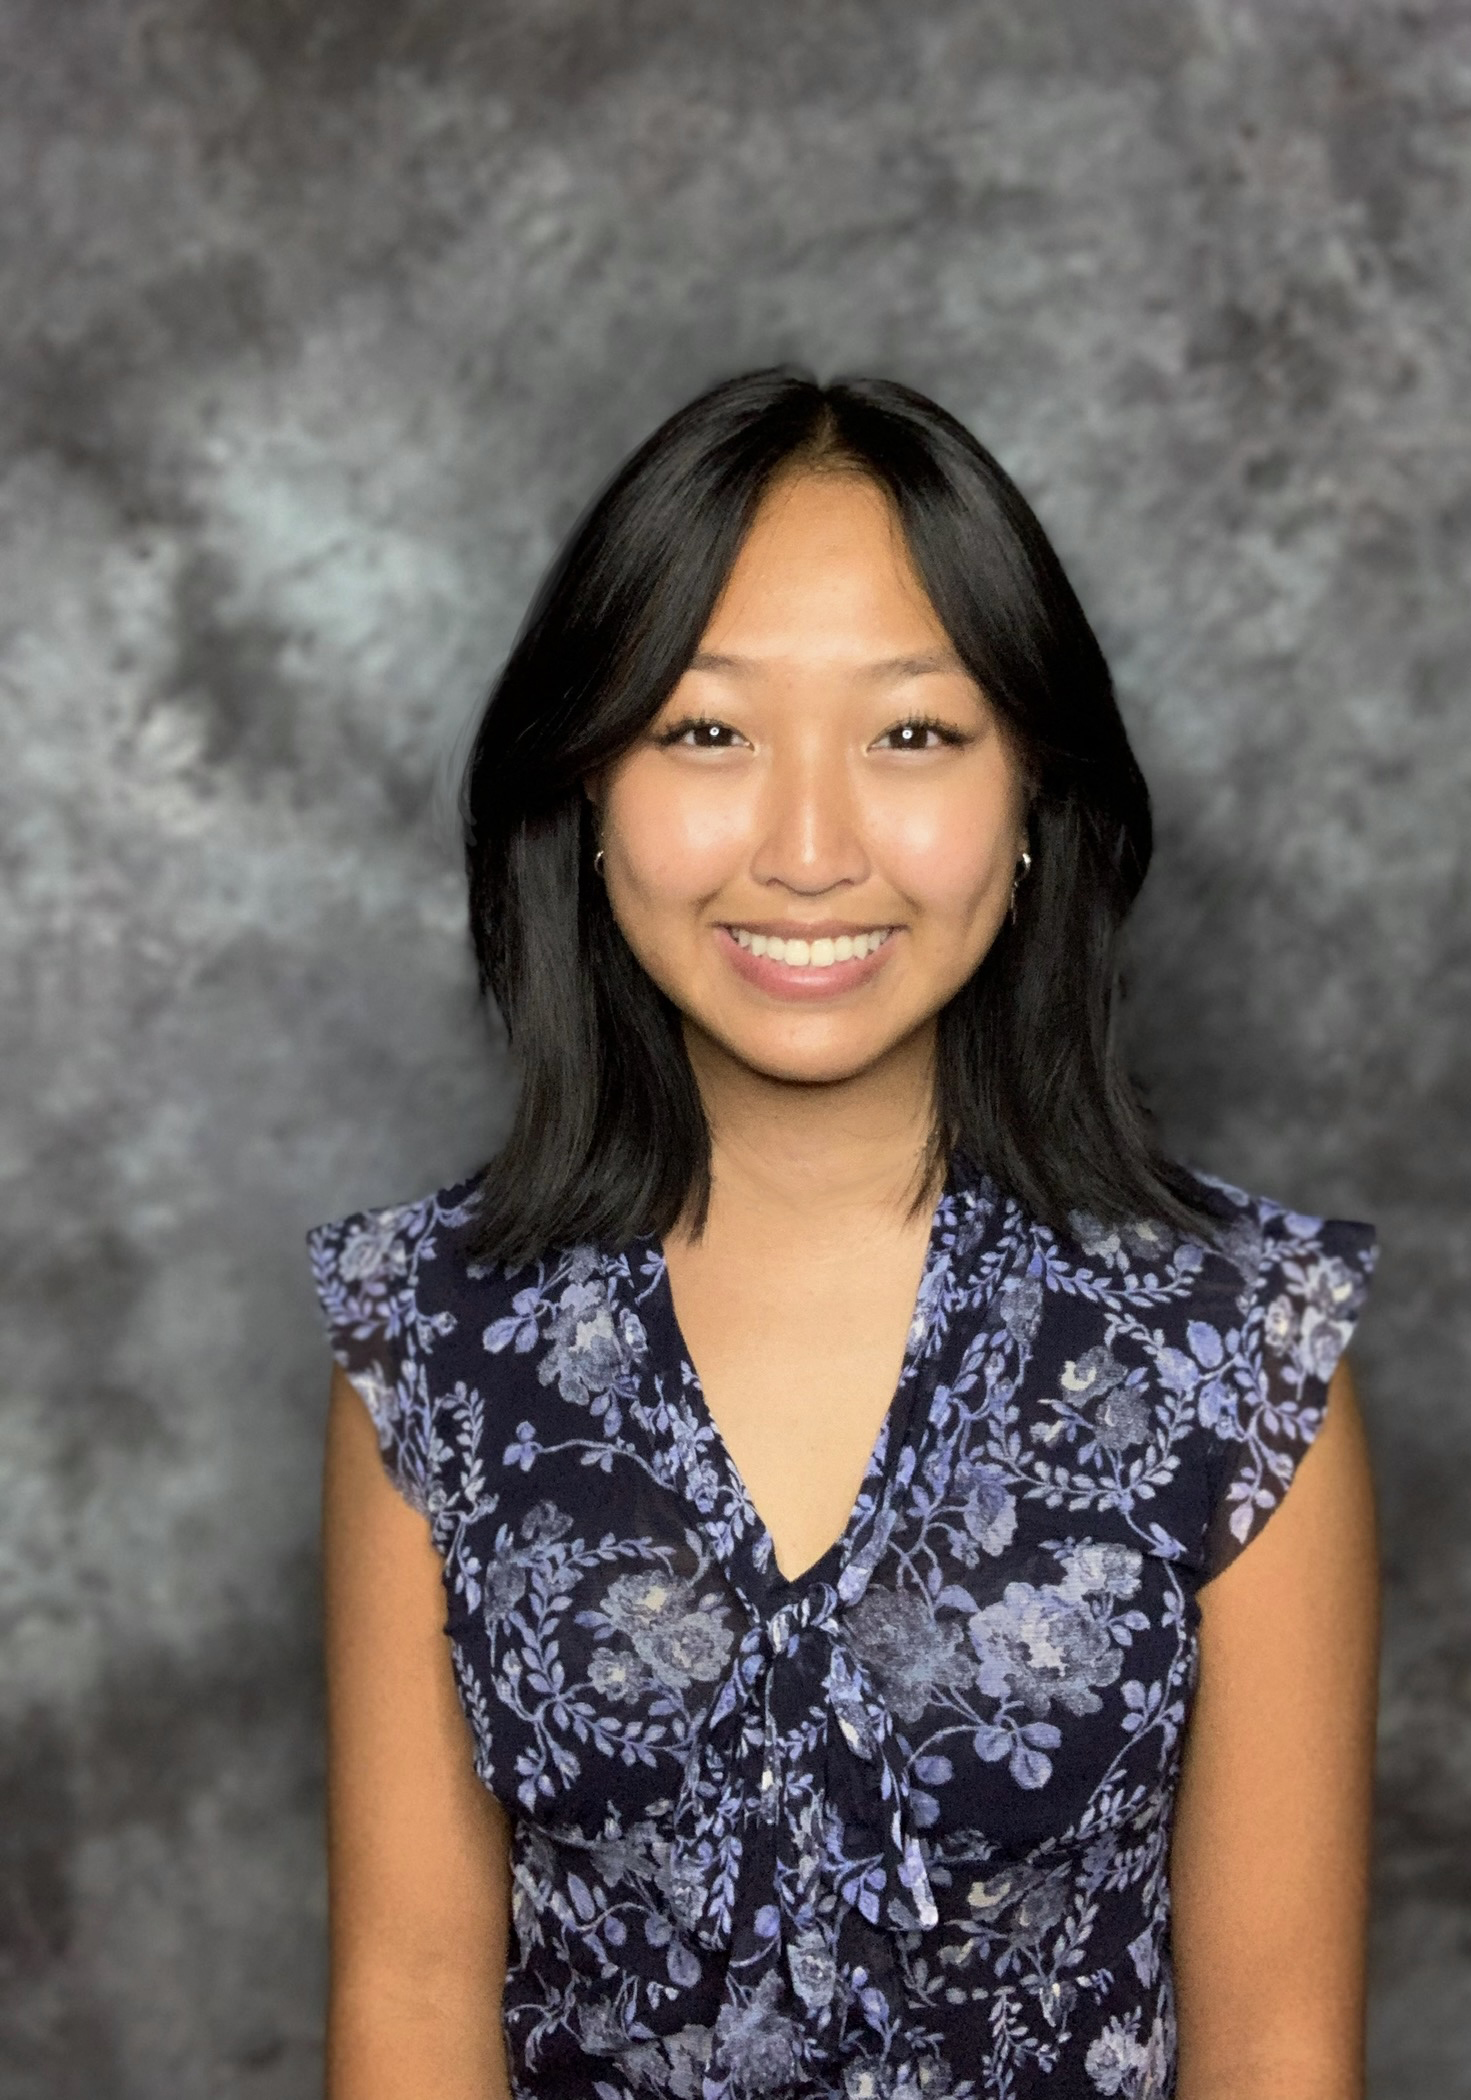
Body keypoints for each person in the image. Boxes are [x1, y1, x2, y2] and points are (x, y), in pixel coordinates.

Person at [310, 370, 1380, 2100]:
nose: (808, 850)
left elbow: (1275, 2050)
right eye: (707, 731)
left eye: (912, 734)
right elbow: (414, 2006)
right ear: (586, 789)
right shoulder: (428, 1343)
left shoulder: (1240, 1360)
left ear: (1035, 791)